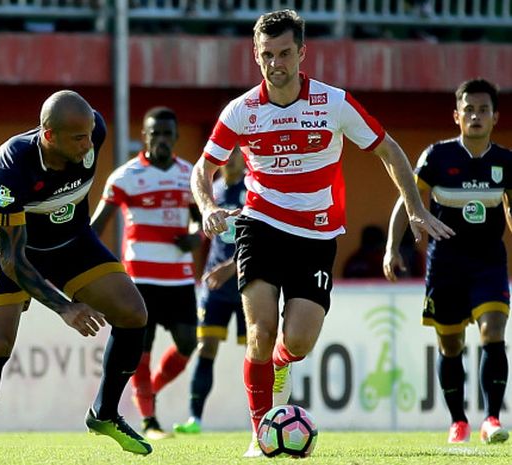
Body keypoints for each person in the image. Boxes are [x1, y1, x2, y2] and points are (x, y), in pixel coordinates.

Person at [189, 9, 453, 457]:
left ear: (302, 53)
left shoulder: (333, 103)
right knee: (259, 331)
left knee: (297, 341)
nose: (277, 63)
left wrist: (414, 207)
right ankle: (261, 433)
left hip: (315, 234)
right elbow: (203, 167)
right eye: (267, 54)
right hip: (260, 225)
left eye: (285, 53)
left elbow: (388, 150)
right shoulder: (241, 111)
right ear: (256, 56)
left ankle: (281, 365)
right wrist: (209, 206)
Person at [0, 90, 152, 460]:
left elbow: (89, 134)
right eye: (78, 138)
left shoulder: (95, 131)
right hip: (14, 250)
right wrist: (64, 307)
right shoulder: (13, 165)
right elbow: (11, 258)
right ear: (48, 135)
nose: (88, 143)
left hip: (72, 244)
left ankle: (104, 413)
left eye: (89, 134)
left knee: (133, 314)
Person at [384, 78, 511, 445]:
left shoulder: (505, 162)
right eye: (468, 109)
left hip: (488, 263)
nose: (475, 116)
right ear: (456, 116)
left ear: (495, 117)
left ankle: (490, 418)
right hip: (446, 265)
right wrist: (393, 247)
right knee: (450, 344)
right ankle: (458, 422)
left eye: (483, 110)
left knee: (493, 331)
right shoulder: (437, 157)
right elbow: (407, 201)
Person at [91, 106, 201, 440]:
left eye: (168, 134)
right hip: (140, 278)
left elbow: (200, 217)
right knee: (142, 349)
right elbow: (97, 226)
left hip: (179, 277)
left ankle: (148, 391)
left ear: (176, 137)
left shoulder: (190, 174)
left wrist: (195, 235)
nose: (162, 140)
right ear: (145, 137)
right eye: (156, 134)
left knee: (187, 342)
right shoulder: (125, 177)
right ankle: (149, 421)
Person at [173, 146, 247, 435]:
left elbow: (262, 238)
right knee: (206, 348)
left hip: (247, 281)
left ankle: (270, 416)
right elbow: (203, 234)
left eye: (237, 151)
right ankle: (195, 419)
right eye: (227, 152)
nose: (231, 157)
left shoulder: (254, 189)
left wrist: (232, 266)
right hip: (215, 285)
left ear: (245, 156)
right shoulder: (211, 191)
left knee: (260, 348)